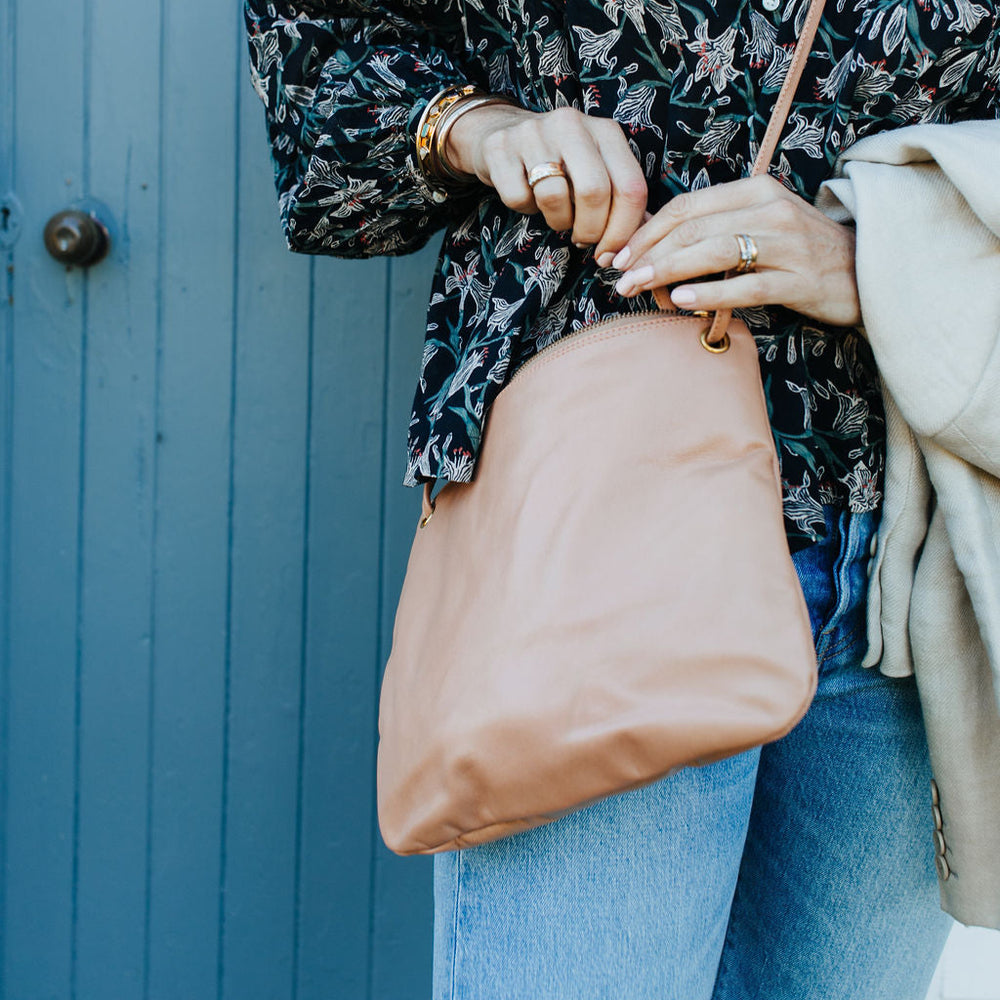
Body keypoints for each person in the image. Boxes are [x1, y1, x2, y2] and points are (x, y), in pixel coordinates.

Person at [244, 1, 999, 996]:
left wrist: (882, 253)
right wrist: (477, 126)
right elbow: (324, 48)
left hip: (904, 543)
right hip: (590, 514)